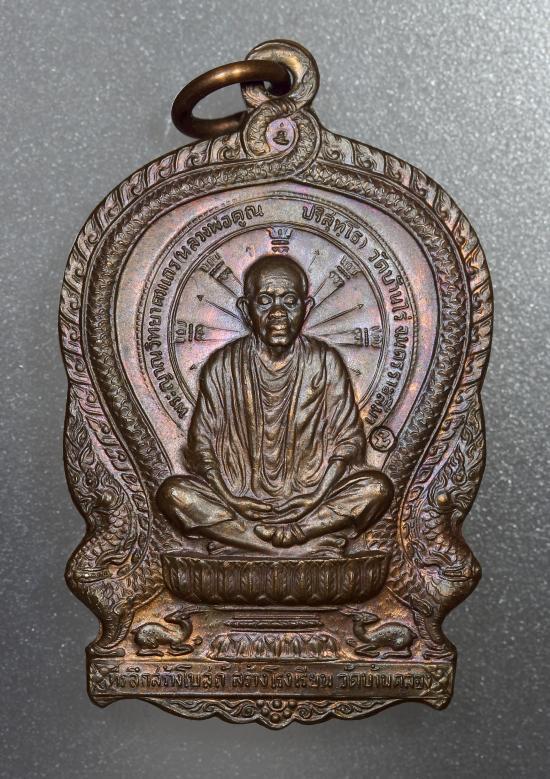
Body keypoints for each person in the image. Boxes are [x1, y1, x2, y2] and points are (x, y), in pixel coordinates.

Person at [157, 253, 393, 555]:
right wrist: (230, 497)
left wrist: (315, 497)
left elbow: (348, 442)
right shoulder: (223, 365)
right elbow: (202, 446)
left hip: (312, 501)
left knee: (377, 488)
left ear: (307, 308)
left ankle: (286, 534)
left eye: (290, 302)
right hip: (237, 500)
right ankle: (285, 544)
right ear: (246, 309)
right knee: (173, 494)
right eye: (265, 301)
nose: (278, 313)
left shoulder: (325, 362)